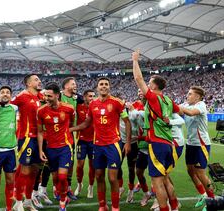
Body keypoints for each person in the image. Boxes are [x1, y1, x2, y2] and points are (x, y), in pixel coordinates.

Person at [70, 77, 131, 211]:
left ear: (109, 87)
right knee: (98, 176)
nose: (103, 86)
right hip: (97, 145)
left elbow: (127, 122)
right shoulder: (92, 104)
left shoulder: (117, 102)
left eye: (106, 84)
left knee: (112, 177)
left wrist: (127, 143)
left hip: (113, 145)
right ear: (98, 87)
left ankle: (115, 207)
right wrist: (71, 129)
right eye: (101, 84)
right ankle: (102, 205)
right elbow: (87, 123)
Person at [132, 50, 181, 211]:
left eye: (150, 82)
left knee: (157, 182)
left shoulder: (154, 97)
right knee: (166, 179)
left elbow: (138, 78)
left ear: (154, 86)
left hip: (158, 144)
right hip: (168, 143)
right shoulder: (168, 99)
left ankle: (164, 208)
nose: (148, 83)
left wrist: (135, 61)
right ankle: (174, 206)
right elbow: (180, 111)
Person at [37, 82, 75, 211]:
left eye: (49, 96)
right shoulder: (41, 111)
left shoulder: (69, 108)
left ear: (57, 95)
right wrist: (41, 149)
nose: (46, 98)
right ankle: (62, 194)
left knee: (63, 176)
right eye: (45, 95)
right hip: (50, 148)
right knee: (55, 178)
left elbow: (72, 124)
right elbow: (40, 131)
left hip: (65, 147)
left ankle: (63, 202)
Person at [180, 86, 215, 209]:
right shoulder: (186, 104)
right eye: (188, 93)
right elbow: (178, 111)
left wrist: (178, 107)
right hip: (190, 144)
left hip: (202, 144)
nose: (187, 96)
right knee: (190, 171)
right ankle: (203, 194)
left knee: (201, 173)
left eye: (190, 94)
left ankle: (212, 201)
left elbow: (190, 112)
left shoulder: (201, 105)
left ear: (198, 97)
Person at [12, 74, 43, 211]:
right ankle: (18, 202)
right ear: (28, 83)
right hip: (27, 137)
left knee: (35, 170)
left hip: (40, 139)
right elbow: (6, 105)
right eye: (36, 80)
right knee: (25, 169)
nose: (39, 81)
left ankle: (28, 201)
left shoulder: (41, 97)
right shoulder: (22, 96)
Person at [0, 86, 18, 211]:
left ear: (11, 96)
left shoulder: (14, 108)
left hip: (10, 151)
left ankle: (9, 208)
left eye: (7, 93)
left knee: (11, 181)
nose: (5, 94)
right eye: (2, 93)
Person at [60, 77, 83, 200]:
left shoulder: (77, 98)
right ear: (66, 86)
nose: (75, 86)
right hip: (56, 135)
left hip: (69, 136)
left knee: (70, 162)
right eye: (73, 84)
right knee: (53, 164)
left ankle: (68, 188)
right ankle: (55, 189)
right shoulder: (58, 96)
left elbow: (88, 102)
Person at [74, 89, 96, 198]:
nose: (92, 98)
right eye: (90, 96)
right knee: (80, 165)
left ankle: (90, 187)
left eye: (93, 96)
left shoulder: (96, 107)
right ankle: (79, 184)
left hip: (93, 141)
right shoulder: (79, 107)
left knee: (93, 166)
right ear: (84, 97)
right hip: (81, 141)